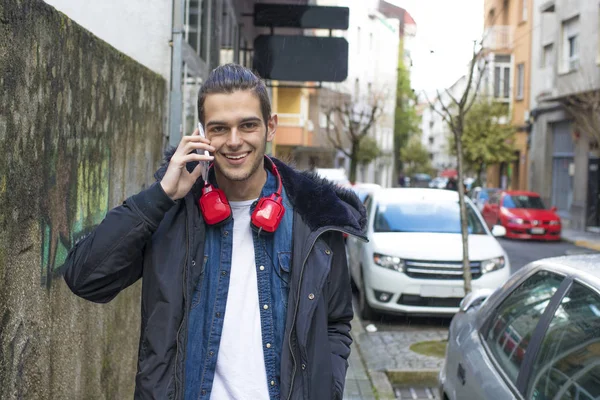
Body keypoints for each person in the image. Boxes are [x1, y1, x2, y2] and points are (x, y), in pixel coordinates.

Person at [63, 64, 366, 400]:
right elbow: (85, 278)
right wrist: (159, 197)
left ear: (271, 126)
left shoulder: (315, 217)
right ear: (201, 134)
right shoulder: (172, 212)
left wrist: (327, 388)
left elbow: (336, 322)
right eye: (219, 128)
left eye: (248, 125)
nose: (234, 142)